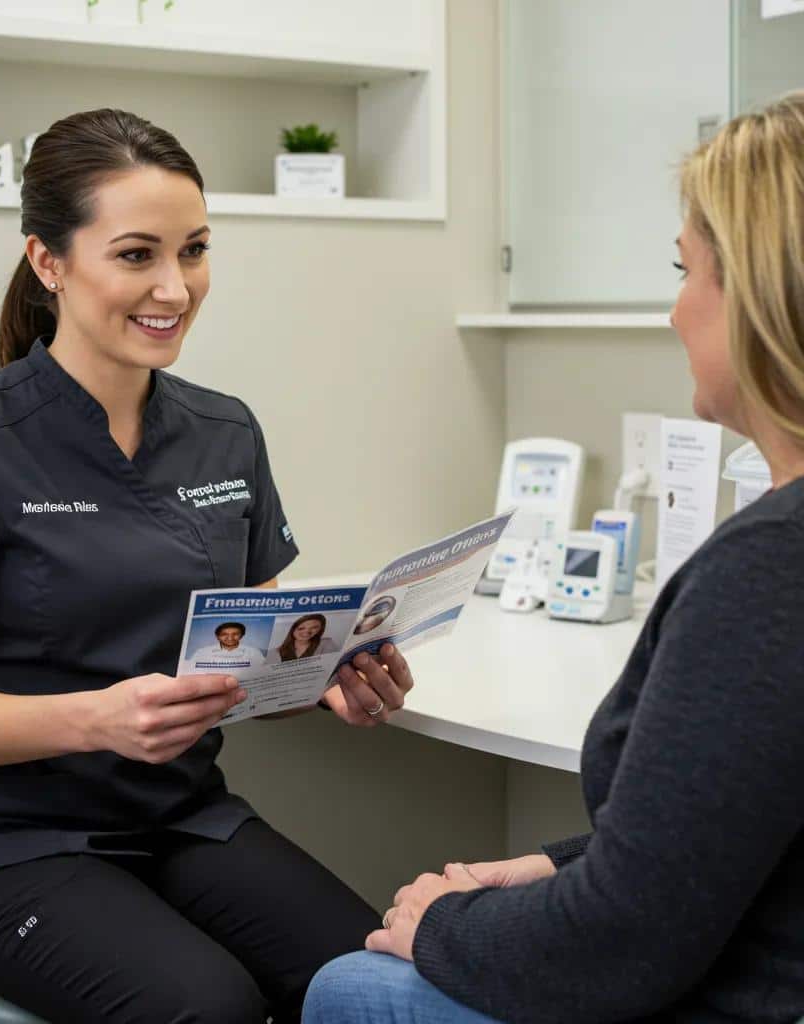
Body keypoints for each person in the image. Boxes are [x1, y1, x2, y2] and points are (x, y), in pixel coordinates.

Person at [0, 108, 416, 1024]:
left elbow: (257, 639)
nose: (176, 286)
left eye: (193, 250)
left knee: (372, 985)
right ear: (49, 262)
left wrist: (328, 676)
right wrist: (97, 720)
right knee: (209, 1009)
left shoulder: (223, 432)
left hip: (181, 817)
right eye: (136, 255)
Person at [304, 92, 804, 1024]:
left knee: (352, 988)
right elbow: (733, 827)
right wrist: (556, 864)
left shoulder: (770, 570)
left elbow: (625, 942)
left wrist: (442, 925)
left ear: (767, 296)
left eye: (685, 272)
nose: (672, 312)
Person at [190, 621, 265, 669]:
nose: (230, 638)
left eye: (235, 634)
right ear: (217, 636)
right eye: (224, 634)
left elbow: (263, 671)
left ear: (242, 635)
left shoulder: (254, 652)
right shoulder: (202, 652)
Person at [270, 613, 339, 662]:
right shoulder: (275, 652)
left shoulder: (327, 644)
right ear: (292, 629)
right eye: (301, 628)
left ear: (320, 629)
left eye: (314, 628)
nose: (307, 632)